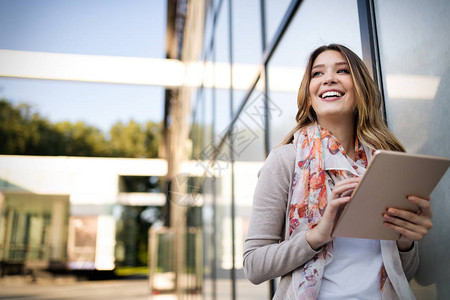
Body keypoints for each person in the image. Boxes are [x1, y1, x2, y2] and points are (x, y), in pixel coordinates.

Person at [243, 44, 433, 300]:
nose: (329, 78)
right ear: (308, 95)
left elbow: (404, 275)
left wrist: (405, 241)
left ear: (360, 88)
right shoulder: (285, 160)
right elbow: (254, 265)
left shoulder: (387, 162)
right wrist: (318, 235)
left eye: (342, 71)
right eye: (317, 74)